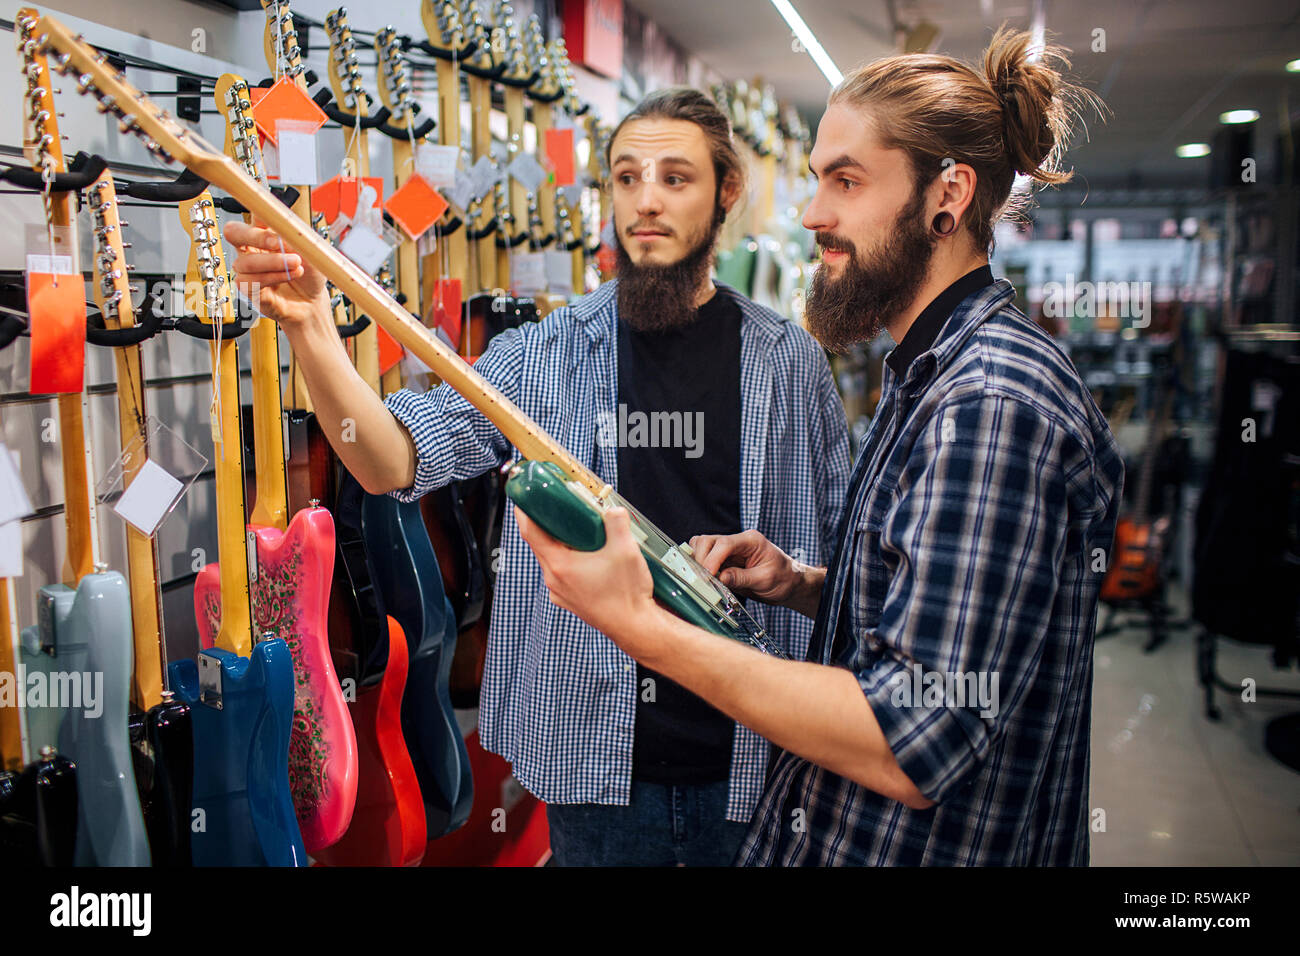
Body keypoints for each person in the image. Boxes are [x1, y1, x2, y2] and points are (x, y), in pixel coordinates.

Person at [515, 28, 1124, 866]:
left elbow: (911, 738)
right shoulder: (929, 375)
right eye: (815, 180)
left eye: (846, 181)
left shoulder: (988, 405)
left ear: (948, 196)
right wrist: (803, 585)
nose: (812, 215)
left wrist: (638, 626)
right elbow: (944, 614)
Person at [223, 87, 850, 866]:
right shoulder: (550, 351)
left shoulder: (786, 361)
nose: (645, 200)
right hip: (593, 773)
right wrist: (312, 328)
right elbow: (392, 460)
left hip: (758, 771)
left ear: (727, 192)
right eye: (626, 177)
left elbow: (848, 568)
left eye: (675, 178)